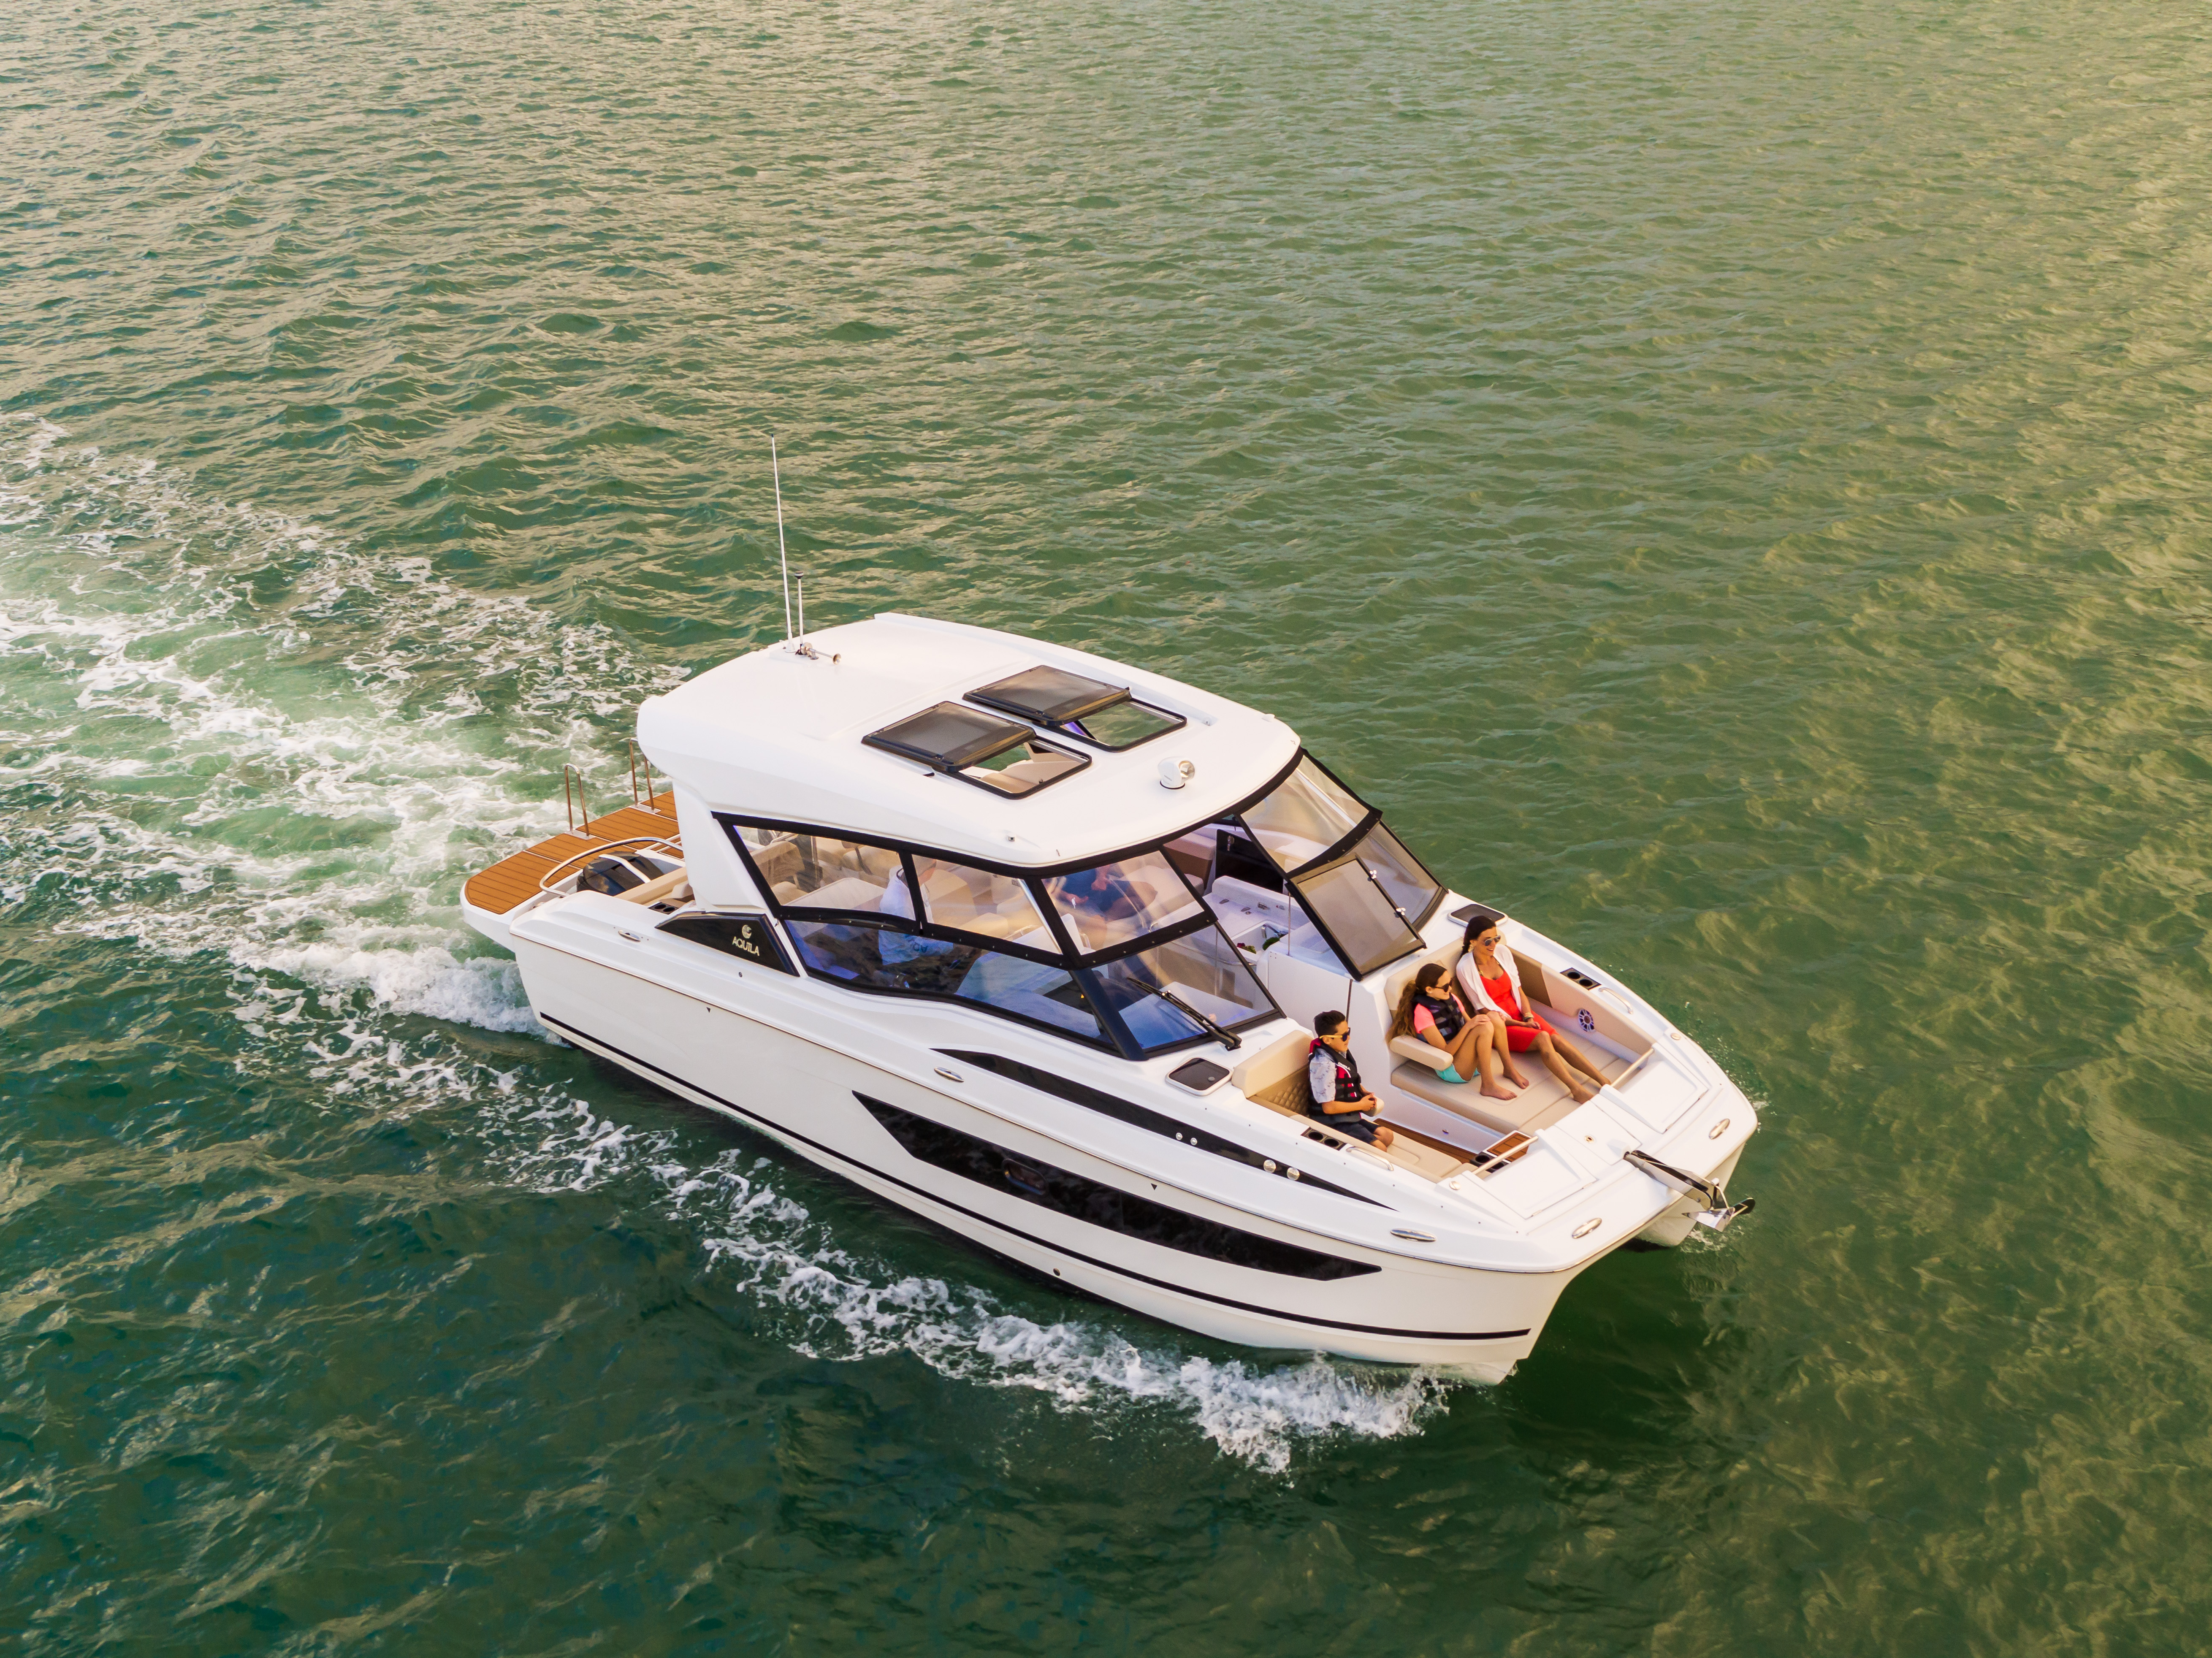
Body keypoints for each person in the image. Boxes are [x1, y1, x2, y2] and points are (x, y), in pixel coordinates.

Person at [1456, 918, 1610, 1105]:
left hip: (1521, 1015)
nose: (1494, 945)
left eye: (1496, 939)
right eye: (1487, 941)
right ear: (1473, 942)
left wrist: (1528, 1015)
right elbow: (1485, 1010)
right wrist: (1523, 1024)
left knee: (1557, 1039)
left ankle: (1603, 1081)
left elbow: (1519, 990)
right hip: (1501, 1027)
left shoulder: (1502, 953)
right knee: (1544, 1037)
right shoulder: (1465, 968)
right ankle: (1576, 1090)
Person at [1388, 962, 1526, 1102]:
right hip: (1452, 1069)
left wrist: (1490, 1017)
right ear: (1429, 989)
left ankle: (1509, 1069)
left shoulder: (1452, 998)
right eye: (1445, 987)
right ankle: (1488, 1086)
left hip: (1469, 1060)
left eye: (1451, 983)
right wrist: (1470, 1026)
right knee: (1484, 1027)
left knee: (1494, 1018)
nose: (1450, 989)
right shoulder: (1423, 1013)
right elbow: (1446, 1051)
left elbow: (1471, 1023)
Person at [1305, 1011, 1396, 1150]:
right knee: (1380, 1149)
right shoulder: (1324, 1065)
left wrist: (1362, 1092)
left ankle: (1357, 1147)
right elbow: (1328, 1108)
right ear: (1327, 1040)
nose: (1349, 1038)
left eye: (1348, 1032)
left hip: (1346, 1116)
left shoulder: (1338, 1051)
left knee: (1387, 1135)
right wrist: (1361, 1105)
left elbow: (1346, 1080)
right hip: (1332, 1122)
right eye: (1344, 1036)